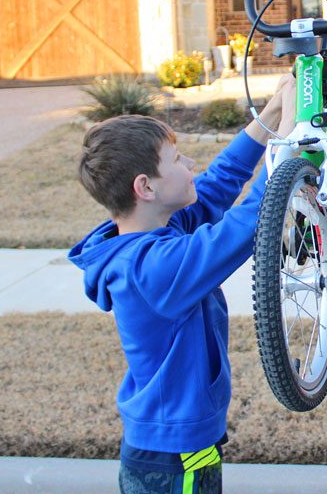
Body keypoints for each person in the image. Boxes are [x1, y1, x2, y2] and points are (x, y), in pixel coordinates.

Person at [68, 75, 296, 493]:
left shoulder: (154, 232)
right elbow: (244, 227)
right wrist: (287, 144)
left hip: (171, 445)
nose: (190, 164)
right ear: (146, 187)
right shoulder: (152, 269)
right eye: (176, 160)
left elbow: (218, 186)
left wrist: (273, 114)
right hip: (174, 461)